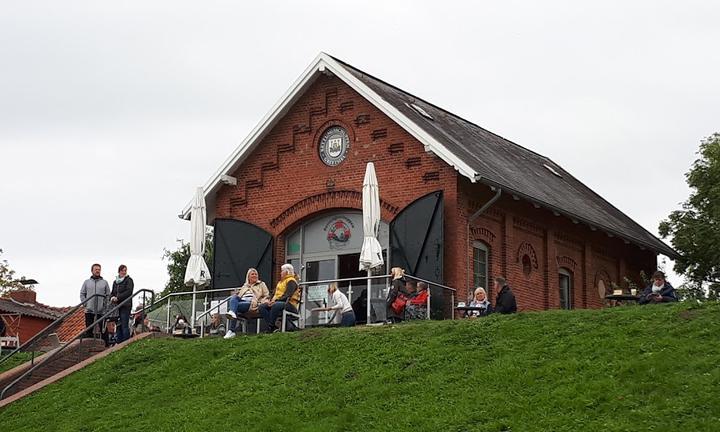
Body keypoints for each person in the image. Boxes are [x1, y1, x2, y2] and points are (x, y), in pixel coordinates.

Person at [224, 268, 270, 339]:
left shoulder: (261, 284)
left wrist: (261, 302)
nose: (254, 275)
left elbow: (267, 295)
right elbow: (239, 296)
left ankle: (231, 331)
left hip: (251, 302)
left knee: (234, 308)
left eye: (256, 274)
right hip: (241, 301)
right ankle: (232, 314)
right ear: (248, 277)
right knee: (234, 297)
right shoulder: (245, 286)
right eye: (252, 274)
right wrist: (236, 294)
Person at [258, 263, 301, 332]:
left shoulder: (291, 281)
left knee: (276, 305)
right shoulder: (280, 282)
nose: (280, 273)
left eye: (282, 271)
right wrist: (269, 301)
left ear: (287, 272)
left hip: (290, 305)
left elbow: (287, 295)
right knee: (262, 307)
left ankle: (271, 327)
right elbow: (273, 294)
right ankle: (273, 326)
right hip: (278, 303)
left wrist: (275, 301)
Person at [80, 263, 111, 343]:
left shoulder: (105, 282)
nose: (98, 271)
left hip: (101, 310)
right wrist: (85, 304)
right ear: (92, 271)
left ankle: (106, 345)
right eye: (96, 269)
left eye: (99, 269)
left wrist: (105, 305)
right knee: (89, 329)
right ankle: (89, 346)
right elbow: (82, 294)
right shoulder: (86, 282)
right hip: (89, 310)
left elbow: (108, 295)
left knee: (103, 329)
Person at [111, 264, 134, 343]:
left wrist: (118, 297)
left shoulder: (129, 280)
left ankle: (126, 342)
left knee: (124, 324)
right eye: (122, 271)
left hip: (125, 305)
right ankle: (119, 341)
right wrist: (112, 297)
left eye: (125, 270)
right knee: (118, 325)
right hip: (117, 306)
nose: (124, 272)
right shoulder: (115, 282)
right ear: (119, 271)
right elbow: (113, 292)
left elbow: (128, 291)